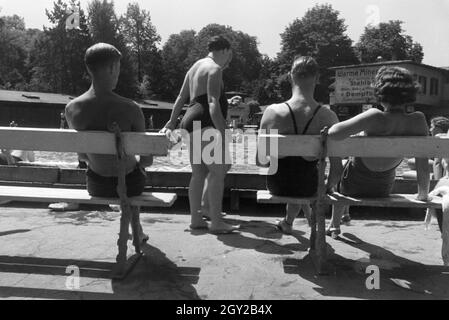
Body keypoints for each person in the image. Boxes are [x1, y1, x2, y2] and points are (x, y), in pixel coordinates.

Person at [326, 66, 430, 238]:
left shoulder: (373, 116)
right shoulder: (418, 120)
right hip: (383, 188)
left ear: (380, 93)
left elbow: (334, 133)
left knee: (344, 165)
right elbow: (423, 165)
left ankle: (335, 224)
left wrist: (360, 133)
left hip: (352, 188)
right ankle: (343, 215)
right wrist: (423, 195)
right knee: (350, 166)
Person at [65, 42, 153, 241]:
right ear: (113, 68)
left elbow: (82, 157)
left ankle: (137, 229)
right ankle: (136, 229)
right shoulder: (131, 108)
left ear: (89, 68)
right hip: (130, 186)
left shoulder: (72, 109)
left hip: (97, 185)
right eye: (118, 68)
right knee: (135, 170)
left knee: (126, 172)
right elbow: (147, 161)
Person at [160, 35, 238, 234]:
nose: (229, 60)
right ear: (225, 50)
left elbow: (180, 98)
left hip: (189, 121)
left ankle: (196, 218)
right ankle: (217, 222)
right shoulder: (215, 69)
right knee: (218, 172)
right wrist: (224, 133)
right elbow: (213, 103)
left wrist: (171, 122)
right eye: (230, 55)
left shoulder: (194, 67)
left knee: (199, 173)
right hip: (206, 122)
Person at [257, 56, 342, 235]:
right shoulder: (328, 116)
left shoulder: (272, 112)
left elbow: (261, 162)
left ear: (290, 76)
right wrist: (326, 188)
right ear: (317, 79)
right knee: (305, 173)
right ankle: (300, 222)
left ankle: (288, 222)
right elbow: (336, 169)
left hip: (278, 185)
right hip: (311, 187)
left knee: (293, 173)